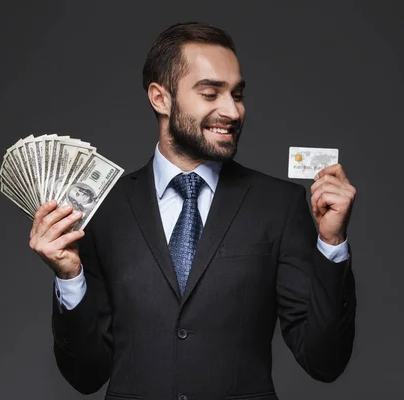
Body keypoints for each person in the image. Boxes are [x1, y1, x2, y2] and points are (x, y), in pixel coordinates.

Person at [29, 22, 357, 399]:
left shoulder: (278, 206)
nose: (232, 111)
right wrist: (70, 277)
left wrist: (332, 243)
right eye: (210, 93)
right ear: (160, 98)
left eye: (237, 94)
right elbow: (85, 376)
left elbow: (324, 361)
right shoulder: (103, 207)